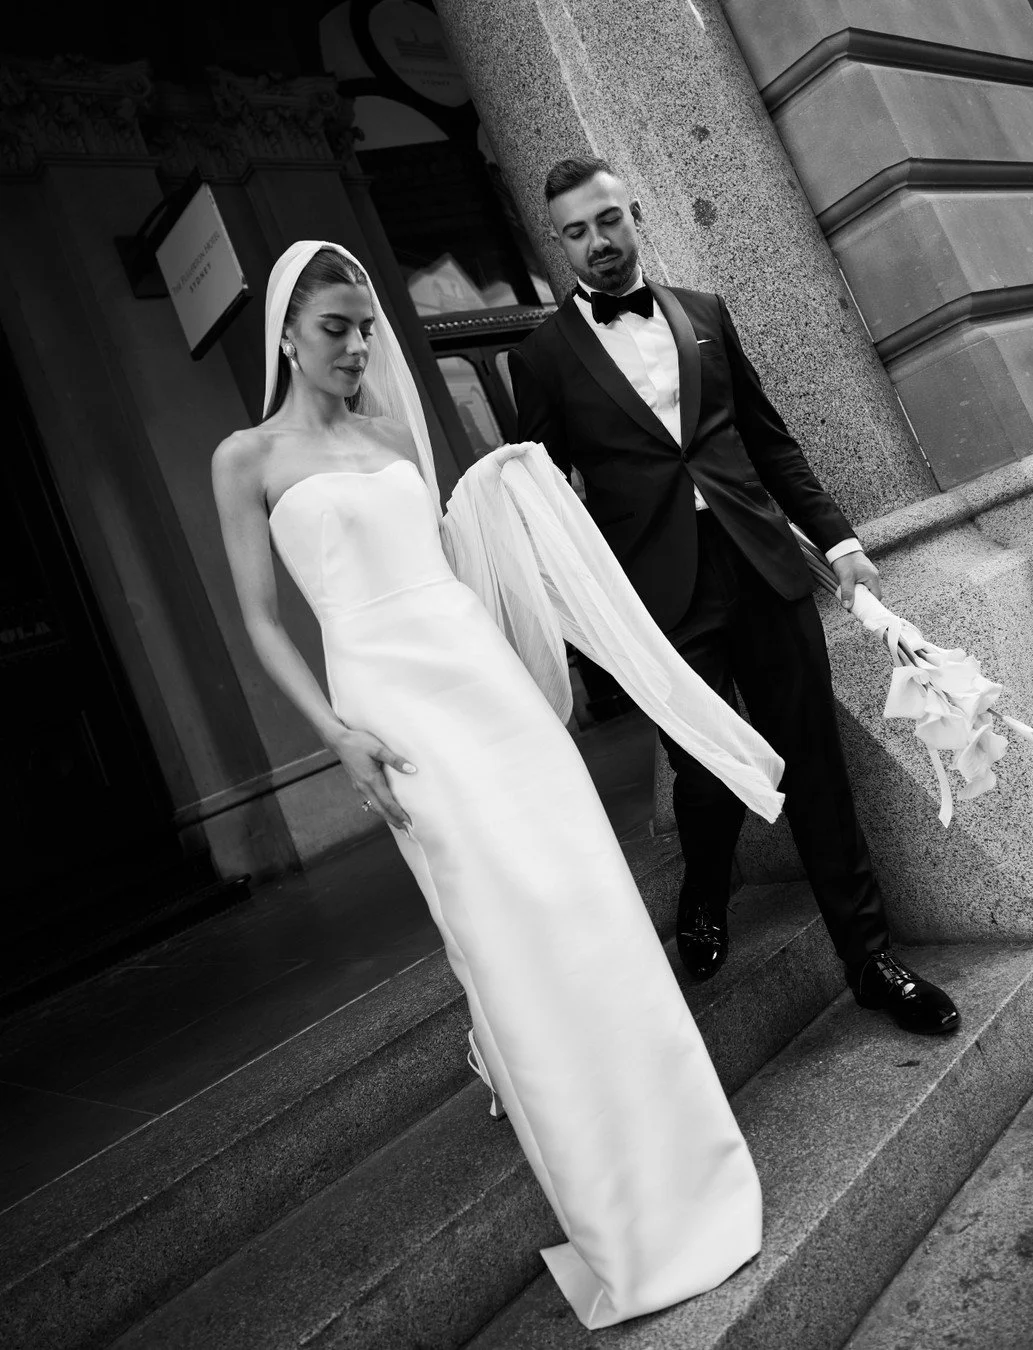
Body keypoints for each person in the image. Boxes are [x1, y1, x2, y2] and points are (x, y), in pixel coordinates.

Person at [212, 240, 790, 1329]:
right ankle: (609, 1197)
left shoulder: (391, 433)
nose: (355, 347)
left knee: (589, 909)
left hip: (482, 685)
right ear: (286, 331)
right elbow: (255, 617)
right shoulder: (243, 458)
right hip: (392, 709)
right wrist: (336, 735)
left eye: (366, 327)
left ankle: (688, 1169)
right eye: (333, 328)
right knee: (503, 930)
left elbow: (440, 563)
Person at [508, 155, 960, 1037]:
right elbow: (545, 503)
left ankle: (870, 962)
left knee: (816, 768)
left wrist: (842, 545)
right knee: (710, 773)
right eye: (576, 232)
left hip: (763, 567)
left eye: (608, 221)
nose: (597, 243)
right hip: (661, 595)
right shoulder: (542, 357)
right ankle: (706, 883)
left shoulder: (704, 314)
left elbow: (768, 439)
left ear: (633, 215)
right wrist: (587, 620)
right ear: (557, 243)